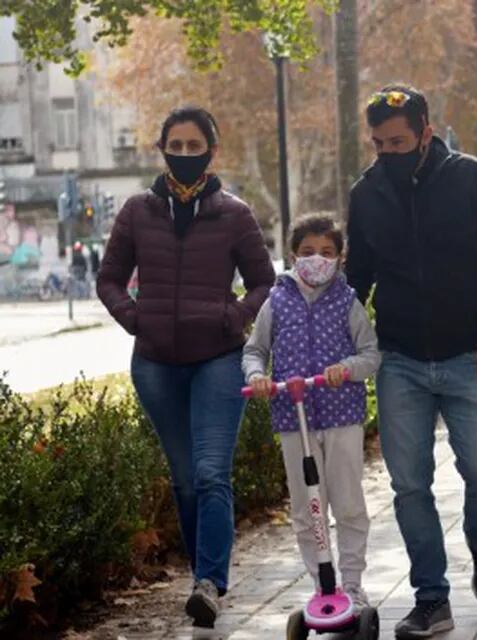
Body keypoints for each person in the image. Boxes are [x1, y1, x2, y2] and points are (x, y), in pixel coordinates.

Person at [345, 85, 477, 639]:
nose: (388, 152)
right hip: (399, 359)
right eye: (378, 143)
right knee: (409, 486)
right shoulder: (368, 192)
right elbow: (358, 278)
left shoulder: (474, 180)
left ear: (427, 131)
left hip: (472, 358)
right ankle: (431, 599)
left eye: (398, 141)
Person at [97, 106, 275, 628]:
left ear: (211, 152)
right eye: (175, 145)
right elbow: (109, 278)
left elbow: (264, 283)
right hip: (155, 364)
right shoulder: (136, 212)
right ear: (162, 148)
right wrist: (136, 320)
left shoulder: (235, 214)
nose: (185, 155)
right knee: (185, 480)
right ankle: (205, 579)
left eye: (194, 146)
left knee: (210, 473)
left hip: (219, 359)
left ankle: (209, 583)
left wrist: (233, 315)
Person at [243, 214, 379, 613]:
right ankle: (323, 584)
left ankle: (352, 585)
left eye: (326, 252)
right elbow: (255, 350)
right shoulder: (277, 300)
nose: (316, 259)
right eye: (307, 252)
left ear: (340, 257)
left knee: (347, 502)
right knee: (306, 509)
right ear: (292, 255)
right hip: (292, 416)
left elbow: (371, 354)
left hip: (341, 417)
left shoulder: (347, 301)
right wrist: (258, 376)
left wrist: (347, 369)